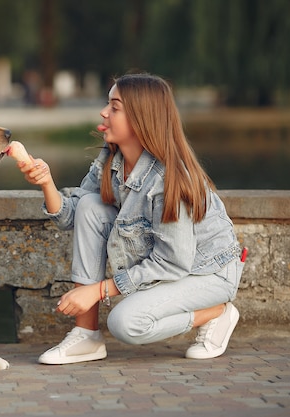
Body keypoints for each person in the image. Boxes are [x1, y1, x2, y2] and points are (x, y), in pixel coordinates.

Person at [17, 73, 244, 364]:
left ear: (141, 119)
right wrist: (46, 182)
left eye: (114, 107)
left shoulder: (168, 179)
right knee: (90, 205)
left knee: (126, 323)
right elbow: (73, 216)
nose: (103, 112)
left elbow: (172, 262)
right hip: (171, 265)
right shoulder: (112, 159)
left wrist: (97, 291)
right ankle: (86, 336)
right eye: (107, 104)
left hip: (207, 272)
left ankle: (217, 313)